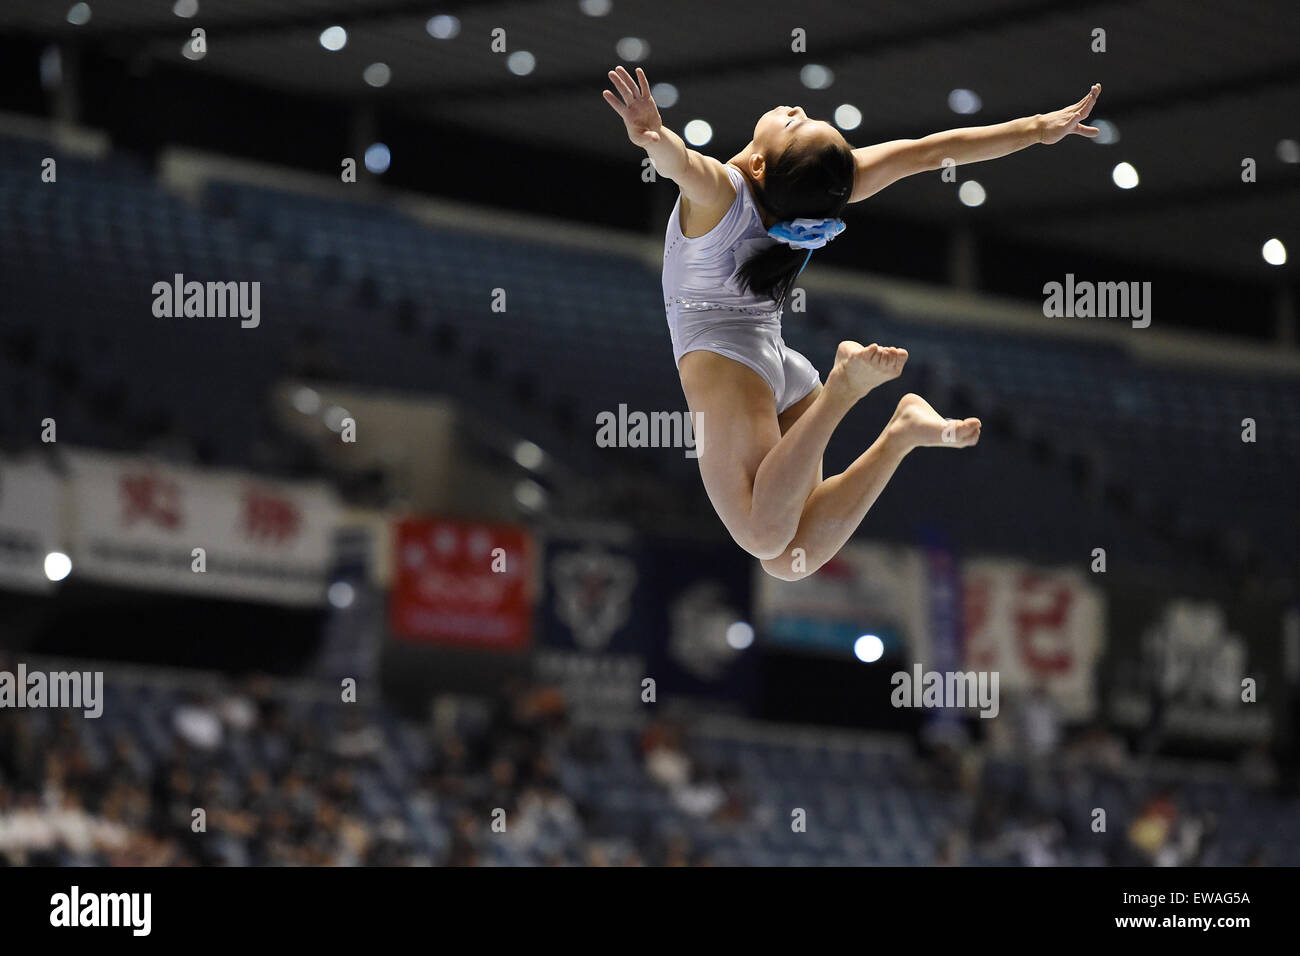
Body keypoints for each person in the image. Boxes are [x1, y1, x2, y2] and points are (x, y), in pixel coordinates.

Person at [603, 65, 1101, 579]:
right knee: (789, 560)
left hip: (731, 367)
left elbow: (680, 164)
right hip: (770, 366)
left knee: (765, 538)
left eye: (797, 125)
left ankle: (845, 391)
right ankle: (899, 434)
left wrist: (653, 137)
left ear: (756, 164)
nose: (797, 110)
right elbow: (930, 152)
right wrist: (1038, 129)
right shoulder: (823, 191)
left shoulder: (723, 193)